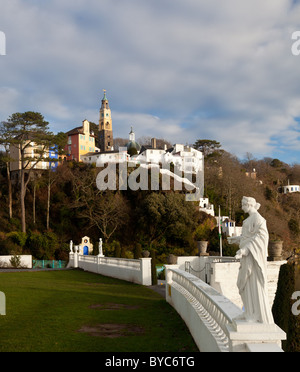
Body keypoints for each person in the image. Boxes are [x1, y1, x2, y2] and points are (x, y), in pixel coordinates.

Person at [228, 196, 274, 324]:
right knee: (243, 284)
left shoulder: (259, 219)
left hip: (253, 259)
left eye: (243, 204)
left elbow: (261, 238)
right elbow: (248, 237)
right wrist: (237, 239)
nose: (241, 207)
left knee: (251, 284)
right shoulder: (248, 220)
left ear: (249, 205)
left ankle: (254, 315)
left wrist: (244, 250)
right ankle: (249, 312)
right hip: (247, 258)